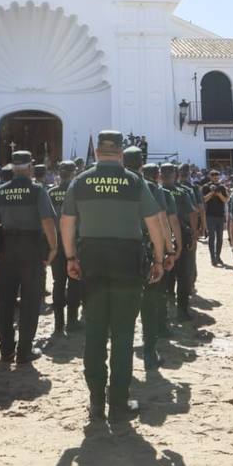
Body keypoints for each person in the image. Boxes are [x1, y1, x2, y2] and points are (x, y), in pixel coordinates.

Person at [59, 130, 166, 428]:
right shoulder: (135, 181)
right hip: (127, 261)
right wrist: (159, 258)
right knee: (122, 332)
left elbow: (66, 222)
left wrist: (70, 257)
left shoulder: (80, 181)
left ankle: (96, 400)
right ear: (120, 152)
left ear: (97, 153)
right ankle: (118, 401)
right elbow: (154, 223)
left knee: (94, 330)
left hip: (92, 259)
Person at [0, 150, 58, 365]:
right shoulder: (37, 190)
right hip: (32, 248)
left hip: (7, 248)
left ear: (12, 167)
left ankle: (6, 350)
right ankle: (24, 351)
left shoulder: (1, 191)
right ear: (30, 167)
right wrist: (53, 247)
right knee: (30, 301)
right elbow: (47, 221)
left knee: (5, 301)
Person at [134, 152, 177, 370]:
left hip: (116, 251)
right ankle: (149, 353)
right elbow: (161, 222)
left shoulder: (114, 184)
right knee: (149, 305)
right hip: (145, 251)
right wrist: (169, 251)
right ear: (141, 165)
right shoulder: (152, 188)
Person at [48, 159, 81, 334]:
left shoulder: (51, 193)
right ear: (74, 173)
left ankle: (58, 323)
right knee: (75, 281)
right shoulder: (79, 192)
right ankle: (72, 321)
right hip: (74, 242)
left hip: (56, 242)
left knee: (58, 282)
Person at [162, 163, 198, 321]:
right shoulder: (182, 192)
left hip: (162, 236)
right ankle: (182, 310)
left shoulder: (156, 192)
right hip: (181, 234)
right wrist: (194, 234)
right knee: (183, 274)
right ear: (175, 175)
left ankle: (168, 304)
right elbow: (193, 213)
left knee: (166, 272)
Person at [203, 175, 229, 265]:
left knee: (220, 238)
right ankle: (212, 258)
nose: (216, 178)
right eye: (214, 177)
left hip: (220, 216)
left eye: (217, 177)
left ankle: (218, 256)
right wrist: (211, 192)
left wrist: (219, 194)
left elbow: (226, 200)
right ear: (210, 177)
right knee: (211, 237)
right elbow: (204, 199)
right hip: (210, 216)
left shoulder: (221, 187)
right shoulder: (206, 187)